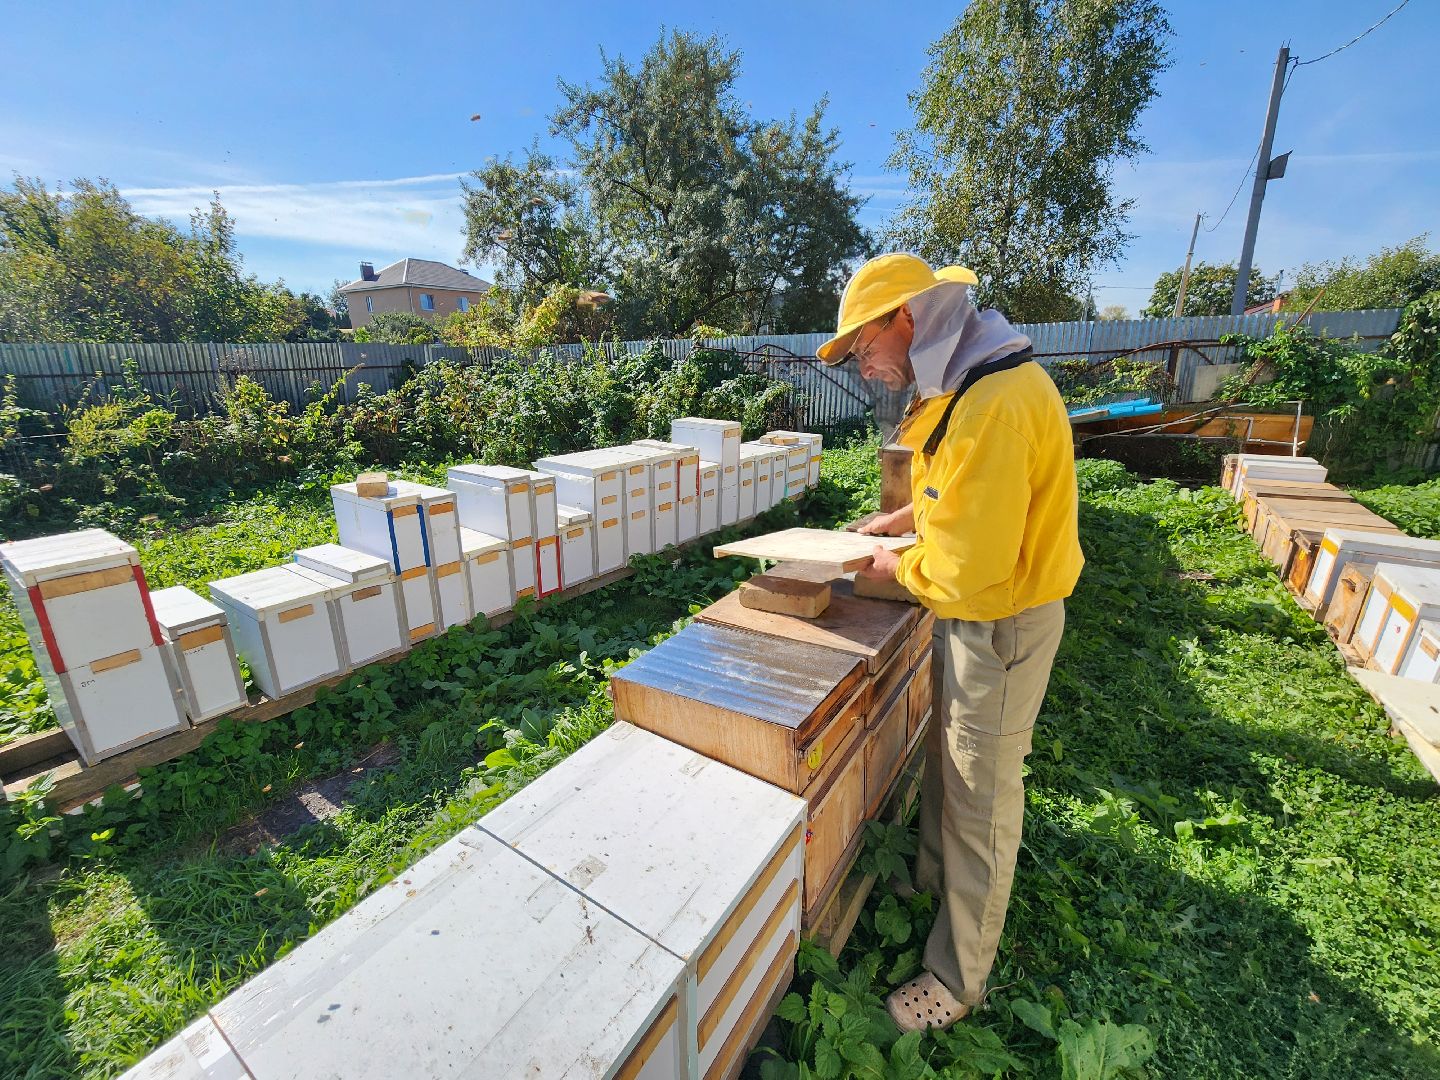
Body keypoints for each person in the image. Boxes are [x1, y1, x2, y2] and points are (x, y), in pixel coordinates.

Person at [816, 253, 1084, 1033]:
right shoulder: (974, 380)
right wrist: (907, 521)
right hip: (983, 612)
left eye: (864, 348)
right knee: (948, 761)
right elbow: (962, 495)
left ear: (908, 319)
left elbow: (969, 567)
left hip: (998, 621)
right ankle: (932, 884)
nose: (866, 367)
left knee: (982, 800)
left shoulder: (995, 402)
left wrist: (881, 561)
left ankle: (957, 980)